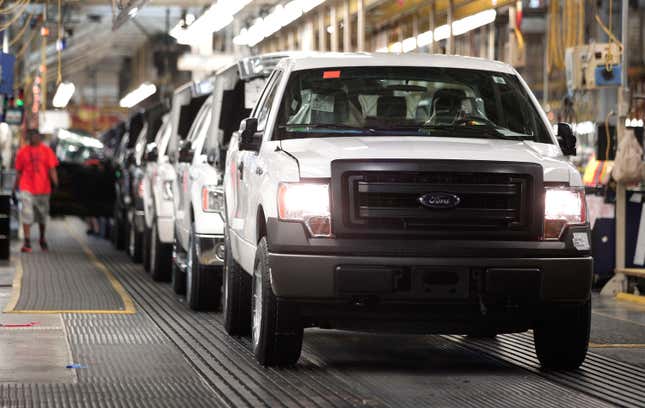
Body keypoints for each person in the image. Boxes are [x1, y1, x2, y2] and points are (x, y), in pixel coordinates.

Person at [14, 129, 59, 252]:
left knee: (42, 216)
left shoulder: (47, 151)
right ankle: (27, 242)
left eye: (36, 136)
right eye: (32, 136)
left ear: (40, 137)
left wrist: (56, 184)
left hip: (43, 189)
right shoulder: (22, 152)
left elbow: (52, 169)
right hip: (26, 188)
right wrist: (14, 187)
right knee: (27, 213)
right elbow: (18, 172)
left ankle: (42, 238)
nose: (34, 138)